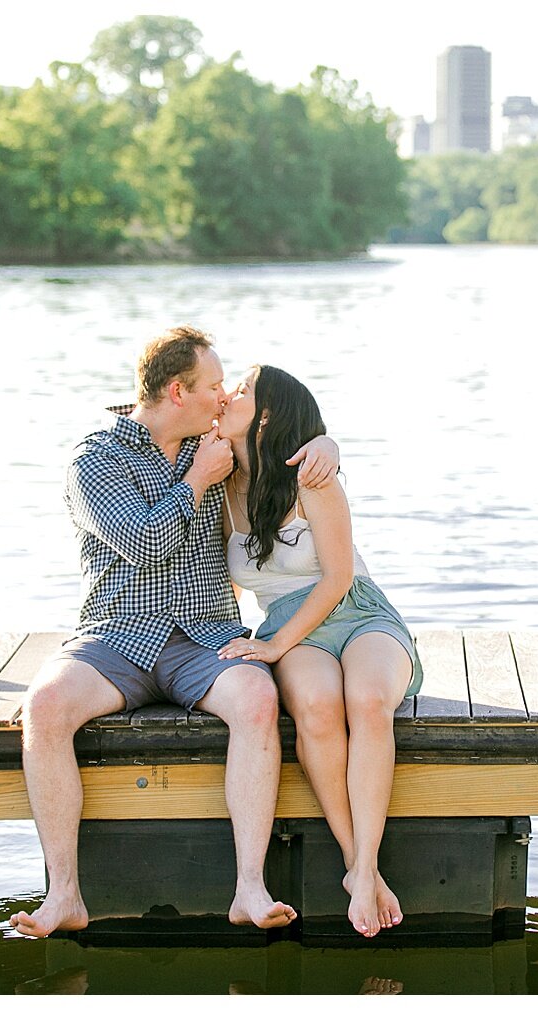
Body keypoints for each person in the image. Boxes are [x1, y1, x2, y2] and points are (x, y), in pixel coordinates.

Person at [9, 327, 338, 939]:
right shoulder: (95, 458)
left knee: (258, 698)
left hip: (206, 635)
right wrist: (195, 485)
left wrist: (327, 443)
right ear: (178, 390)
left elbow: (286, 432)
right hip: (117, 634)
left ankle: (248, 887)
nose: (223, 397)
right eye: (214, 386)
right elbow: (141, 544)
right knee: (45, 706)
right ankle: (64, 895)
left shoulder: (216, 442)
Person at [215, 365, 423, 939]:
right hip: (288, 623)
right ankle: (360, 865)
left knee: (368, 700)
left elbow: (335, 577)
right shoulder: (215, 480)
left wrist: (274, 645)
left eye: (240, 389)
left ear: (266, 415)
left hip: (358, 610)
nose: (225, 393)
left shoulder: (313, 476)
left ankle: (363, 866)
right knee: (317, 707)